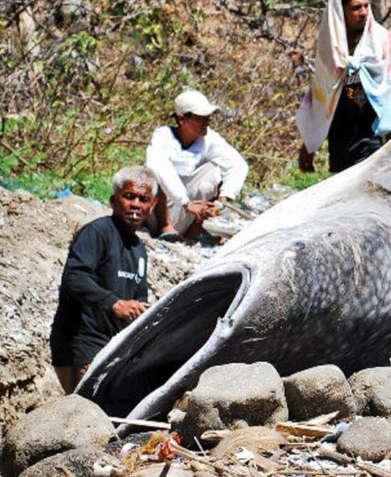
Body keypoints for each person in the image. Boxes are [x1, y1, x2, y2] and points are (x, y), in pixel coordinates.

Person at [50, 166, 157, 394]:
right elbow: (75, 277)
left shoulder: (139, 248)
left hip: (112, 346)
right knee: (84, 412)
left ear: (152, 205)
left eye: (143, 199)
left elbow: (138, 297)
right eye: (129, 196)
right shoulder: (97, 232)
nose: (136, 204)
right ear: (113, 201)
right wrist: (114, 303)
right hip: (80, 342)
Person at [296, 0, 391, 174]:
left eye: (366, 6)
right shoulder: (331, 47)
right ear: (341, 12)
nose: (363, 12)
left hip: (373, 133)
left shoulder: (381, 40)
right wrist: (310, 144)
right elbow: (322, 93)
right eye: (356, 8)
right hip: (340, 137)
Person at [145, 89, 248, 240]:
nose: (206, 122)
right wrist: (185, 202)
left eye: (208, 117)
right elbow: (159, 167)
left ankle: (194, 228)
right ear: (182, 119)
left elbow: (237, 165)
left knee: (215, 171)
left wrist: (223, 200)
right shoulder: (162, 136)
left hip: (187, 211)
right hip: (156, 213)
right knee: (156, 175)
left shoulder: (209, 139)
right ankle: (165, 227)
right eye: (200, 118)